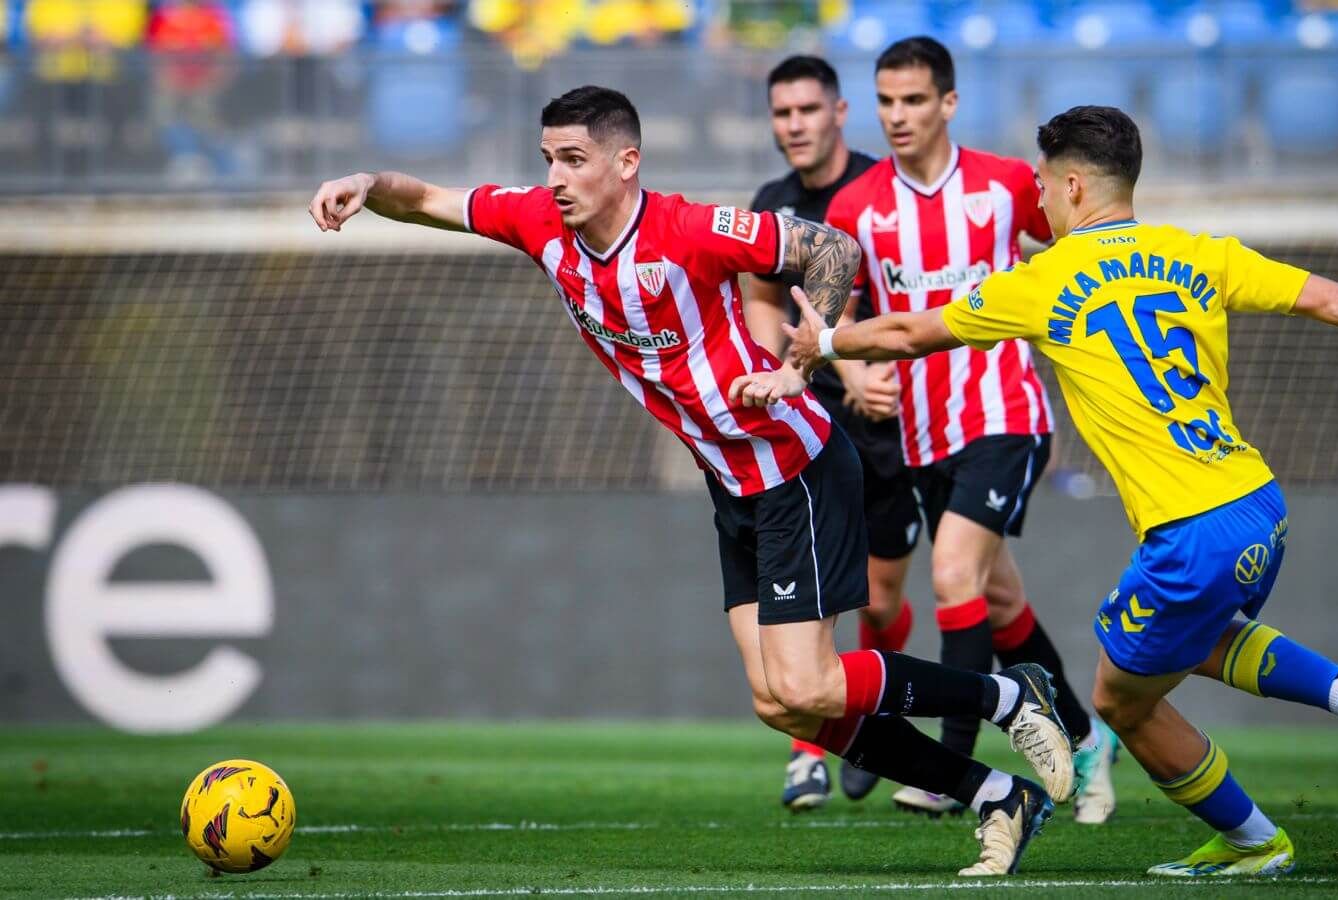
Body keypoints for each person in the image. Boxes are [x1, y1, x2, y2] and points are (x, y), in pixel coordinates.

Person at [308, 85, 1076, 877]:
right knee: (780, 703)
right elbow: (431, 198)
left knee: (808, 682)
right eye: (549, 161)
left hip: (794, 469)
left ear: (627, 161)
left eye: (574, 160)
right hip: (731, 484)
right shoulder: (540, 222)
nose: (557, 178)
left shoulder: (686, 229)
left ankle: (1008, 698)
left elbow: (831, 248)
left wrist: (800, 360)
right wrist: (368, 188)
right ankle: (995, 794)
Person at [744, 104, 1338, 877]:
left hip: (1190, 529)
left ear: (1074, 185)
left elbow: (915, 333)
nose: (1039, 202)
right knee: (1200, 640)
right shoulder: (1198, 253)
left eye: (1044, 186)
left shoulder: (1046, 279)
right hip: (1257, 503)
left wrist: (828, 342)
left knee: (1119, 700)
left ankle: (1256, 842)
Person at [821, 36, 1116, 823]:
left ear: (949, 103)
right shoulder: (857, 207)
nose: (898, 116)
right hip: (921, 431)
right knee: (996, 596)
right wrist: (853, 372)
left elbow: (1090, 250)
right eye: (886, 102)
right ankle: (1088, 741)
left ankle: (950, 769)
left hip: (1003, 413)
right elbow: (841, 316)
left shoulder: (1007, 186)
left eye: (914, 100)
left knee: (953, 573)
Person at [745, 54, 917, 812]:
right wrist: (805, 366)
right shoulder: (771, 203)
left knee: (878, 600)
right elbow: (756, 299)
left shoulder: (881, 193)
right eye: (783, 113)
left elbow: (908, 301)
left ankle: (876, 717)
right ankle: (807, 751)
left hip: (883, 422)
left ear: (840, 113)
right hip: (802, 421)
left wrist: (854, 362)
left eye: (808, 110)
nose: (795, 126)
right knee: (813, 600)